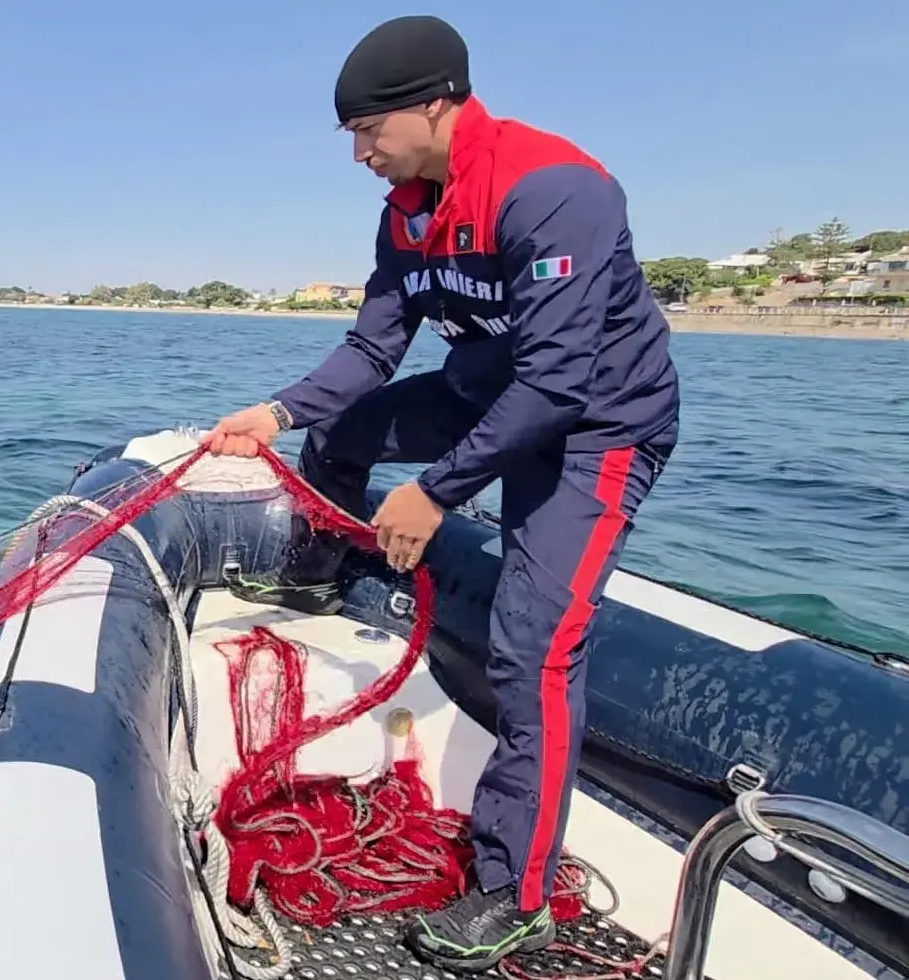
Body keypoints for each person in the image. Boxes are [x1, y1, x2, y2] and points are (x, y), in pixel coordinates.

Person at [202, 13, 681, 974]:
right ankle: (322, 573)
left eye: (369, 130)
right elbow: (376, 347)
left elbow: (556, 383)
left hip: (596, 429)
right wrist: (280, 411)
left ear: (436, 105)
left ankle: (517, 893)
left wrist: (431, 493)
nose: (359, 154)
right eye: (350, 136)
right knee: (343, 427)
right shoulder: (403, 211)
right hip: (483, 396)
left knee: (533, 647)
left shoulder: (554, 190)